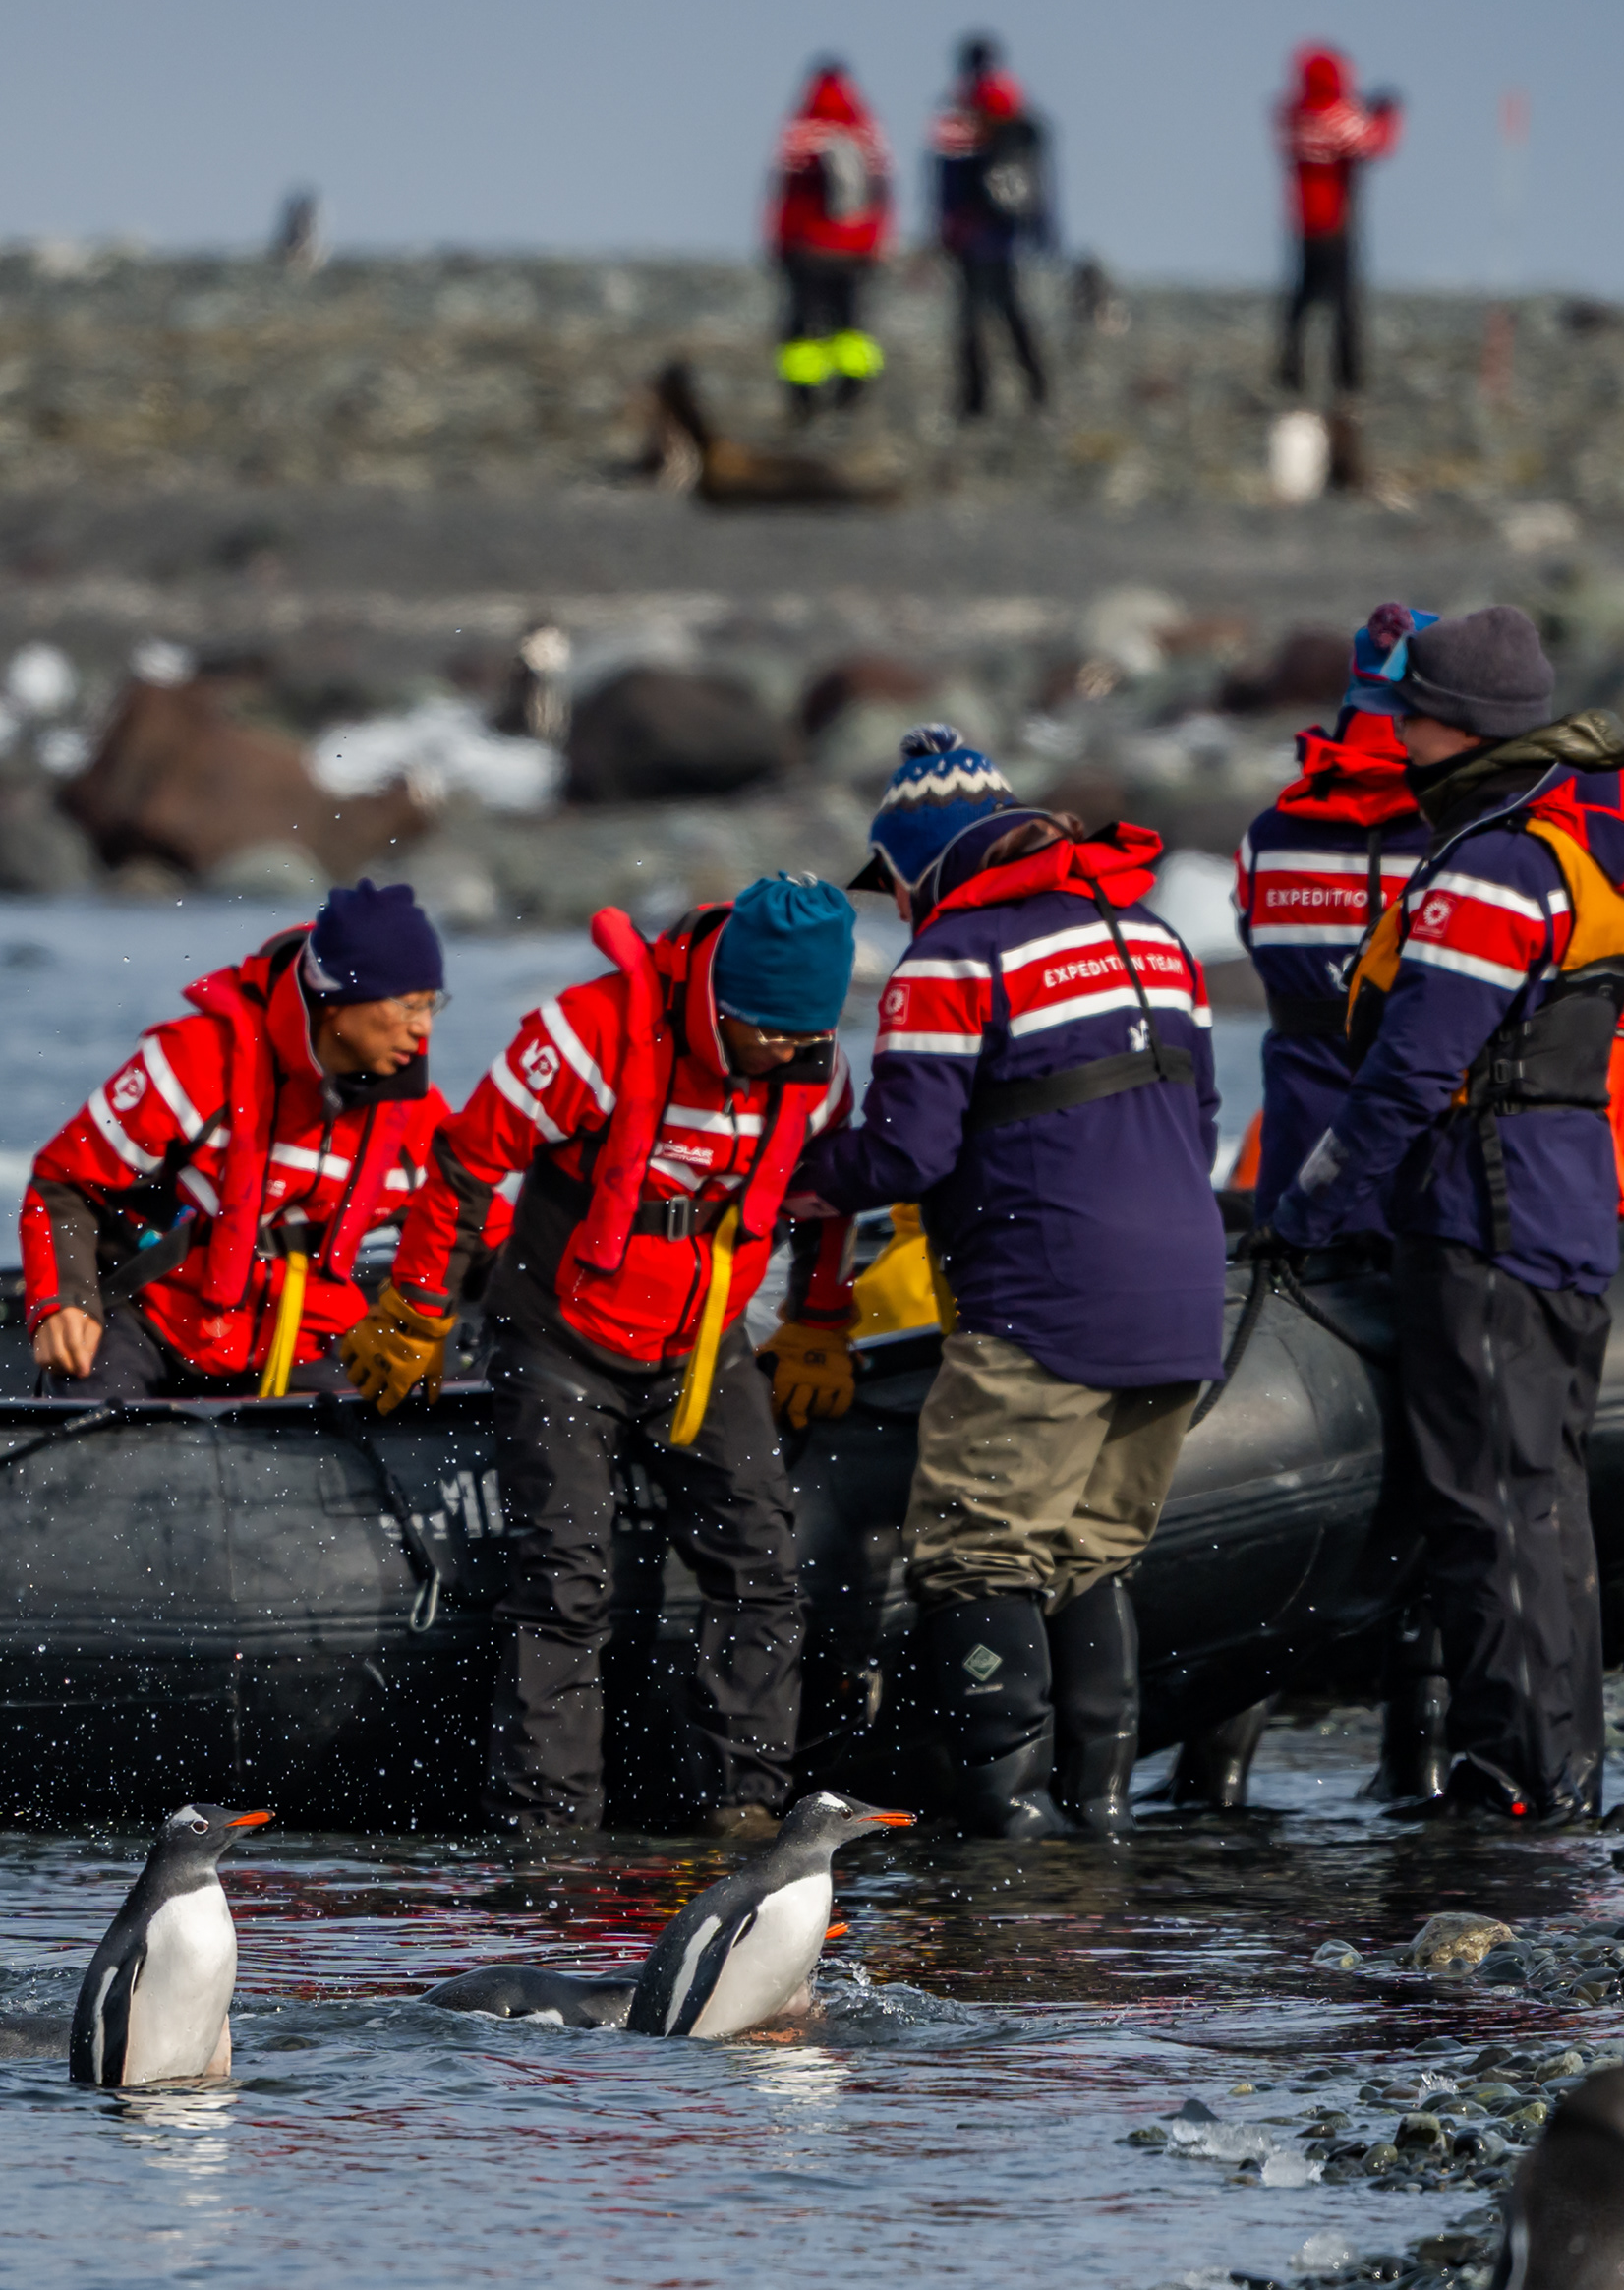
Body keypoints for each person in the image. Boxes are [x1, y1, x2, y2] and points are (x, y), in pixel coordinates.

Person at [338, 875, 858, 1839]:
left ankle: (744, 1810)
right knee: (565, 1580)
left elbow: (826, 1202)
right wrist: (417, 1310)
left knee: (762, 1565)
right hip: (560, 1339)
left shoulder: (815, 1069)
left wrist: (820, 1321)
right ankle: (549, 1829)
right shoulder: (585, 1035)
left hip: (703, 1344)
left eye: (805, 1036)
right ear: (722, 1002)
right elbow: (465, 1162)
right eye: (769, 1033)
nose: (785, 1054)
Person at [779, 726, 1225, 1838]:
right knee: (1093, 1555)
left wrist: (786, 1180)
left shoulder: (954, 956)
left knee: (979, 1550)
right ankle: (1098, 1820)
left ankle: (1007, 1827)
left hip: (1044, 1302)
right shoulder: (1152, 934)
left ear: (923, 865)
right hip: (1184, 1301)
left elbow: (905, 1152)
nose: (895, 910)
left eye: (892, 886)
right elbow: (1201, 1116)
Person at [1297, 607, 1624, 1824]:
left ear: (1459, 727)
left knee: (1486, 1503)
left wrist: (1312, 1205)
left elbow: (1414, 1069)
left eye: (1411, 715)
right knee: (1546, 1499)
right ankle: (1563, 1770)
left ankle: (1511, 1777)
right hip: (1563, 1209)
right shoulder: (1586, 845)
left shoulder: (1491, 865)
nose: (1396, 735)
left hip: (1485, 1216)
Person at [20, 881, 451, 1399]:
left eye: (432, 1005)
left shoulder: (420, 1120)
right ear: (336, 998)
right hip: (150, 1322)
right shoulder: (192, 1061)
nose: (423, 1028)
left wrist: (445, 1325)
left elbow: (473, 1230)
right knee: (93, 1417)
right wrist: (62, 1302)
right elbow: (63, 1184)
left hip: (307, 1343)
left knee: (399, 1417)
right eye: (406, 1005)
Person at [1238, 602, 1435, 1257]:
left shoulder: (1267, 838)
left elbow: (1251, 934)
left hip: (1297, 1167)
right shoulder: (1465, 838)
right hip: (1425, 1182)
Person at [931, 34, 1055, 419]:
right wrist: (1043, 225)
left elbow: (948, 178)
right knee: (1010, 307)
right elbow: (1039, 177)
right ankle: (1037, 388)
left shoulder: (960, 111)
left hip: (972, 229)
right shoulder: (1020, 112)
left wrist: (946, 225)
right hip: (1007, 228)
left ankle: (975, 397)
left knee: (972, 313)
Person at [1272, 45, 1400, 412]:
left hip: (1302, 221)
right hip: (1336, 223)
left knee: (1302, 298)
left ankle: (1290, 372)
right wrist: (1387, 115)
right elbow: (1372, 143)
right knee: (1344, 303)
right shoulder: (1335, 115)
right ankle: (1347, 378)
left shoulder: (1294, 116)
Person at [769, 59, 890, 422]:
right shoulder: (865, 130)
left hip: (808, 246)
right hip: (855, 247)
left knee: (803, 324)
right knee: (850, 322)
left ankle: (804, 395)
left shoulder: (802, 131)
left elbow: (786, 195)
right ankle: (853, 389)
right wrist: (875, 240)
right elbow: (882, 193)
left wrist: (781, 241)